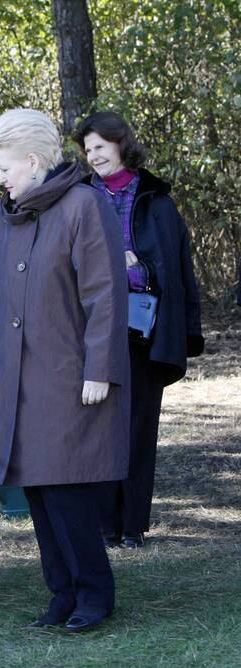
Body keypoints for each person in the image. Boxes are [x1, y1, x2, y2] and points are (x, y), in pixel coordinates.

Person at [0, 109, 130, 632]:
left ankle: (94, 594)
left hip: (67, 374)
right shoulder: (4, 215)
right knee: (36, 489)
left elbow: (105, 295)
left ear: (35, 162)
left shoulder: (84, 206)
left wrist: (100, 368)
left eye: (4, 168)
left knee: (66, 487)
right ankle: (61, 592)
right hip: (17, 376)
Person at [74, 112, 204, 550]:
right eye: (87, 150)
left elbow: (176, 265)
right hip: (89, 329)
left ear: (120, 144)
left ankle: (132, 527)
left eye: (99, 147)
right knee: (97, 425)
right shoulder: (77, 196)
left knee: (138, 426)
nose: (93, 157)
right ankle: (103, 523)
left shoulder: (156, 200)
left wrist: (137, 266)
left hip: (143, 328)